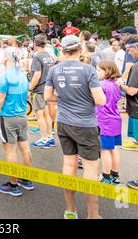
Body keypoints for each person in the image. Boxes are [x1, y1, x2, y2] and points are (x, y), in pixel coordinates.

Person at [44, 35, 106, 219]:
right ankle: (93, 215)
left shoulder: (54, 70)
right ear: (80, 50)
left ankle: (70, 210)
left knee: (69, 165)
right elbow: (100, 100)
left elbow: (48, 97)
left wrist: (65, 98)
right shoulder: (88, 70)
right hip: (86, 125)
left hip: (64, 123)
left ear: (62, 51)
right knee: (90, 171)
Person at [0, 47, 34, 197]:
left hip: (8, 117)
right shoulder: (22, 75)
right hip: (22, 116)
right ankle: (26, 179)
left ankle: (14, 185)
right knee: (25, 149)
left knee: (10, 151)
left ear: (7, 58)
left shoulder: (4, 76)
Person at [116, 35, 138, 189]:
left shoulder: (136, 67)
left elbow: (131, 91)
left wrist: (120, 85)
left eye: (130, 50)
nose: (130, 53)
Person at [95, 61, 122, 185]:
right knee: (114, 148)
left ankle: (105, 176)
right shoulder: (116, 85)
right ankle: (115, 175)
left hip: (105, 121)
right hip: (116, 119)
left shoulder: (102, 85)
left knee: (105, 149)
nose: (97, 72)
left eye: (99, 70)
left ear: (107, 71)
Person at [29, 34, 56, 149]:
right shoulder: (49, 55)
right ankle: (49, 137)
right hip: (48, 88)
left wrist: (29, 89)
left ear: (35, 44)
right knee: (47, 114)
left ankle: (44, 138)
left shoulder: (37, 56)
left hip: (39, 89)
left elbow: (37, 75)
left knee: (40, 115)